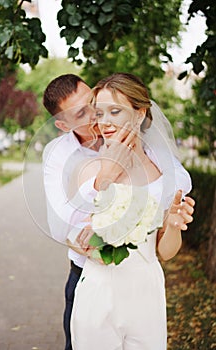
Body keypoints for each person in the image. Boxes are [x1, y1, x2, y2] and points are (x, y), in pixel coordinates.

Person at [42, 74, 194, 350]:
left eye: (96, 106)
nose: (96, 118)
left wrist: (171, 217)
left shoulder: (155, 157)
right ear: (63, 125)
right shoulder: (67, 161)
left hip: (145, 287)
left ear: (139, 114)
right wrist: (105, 179)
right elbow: (65, 229)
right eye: (86, 113)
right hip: (93, 279)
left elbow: (178, 189)